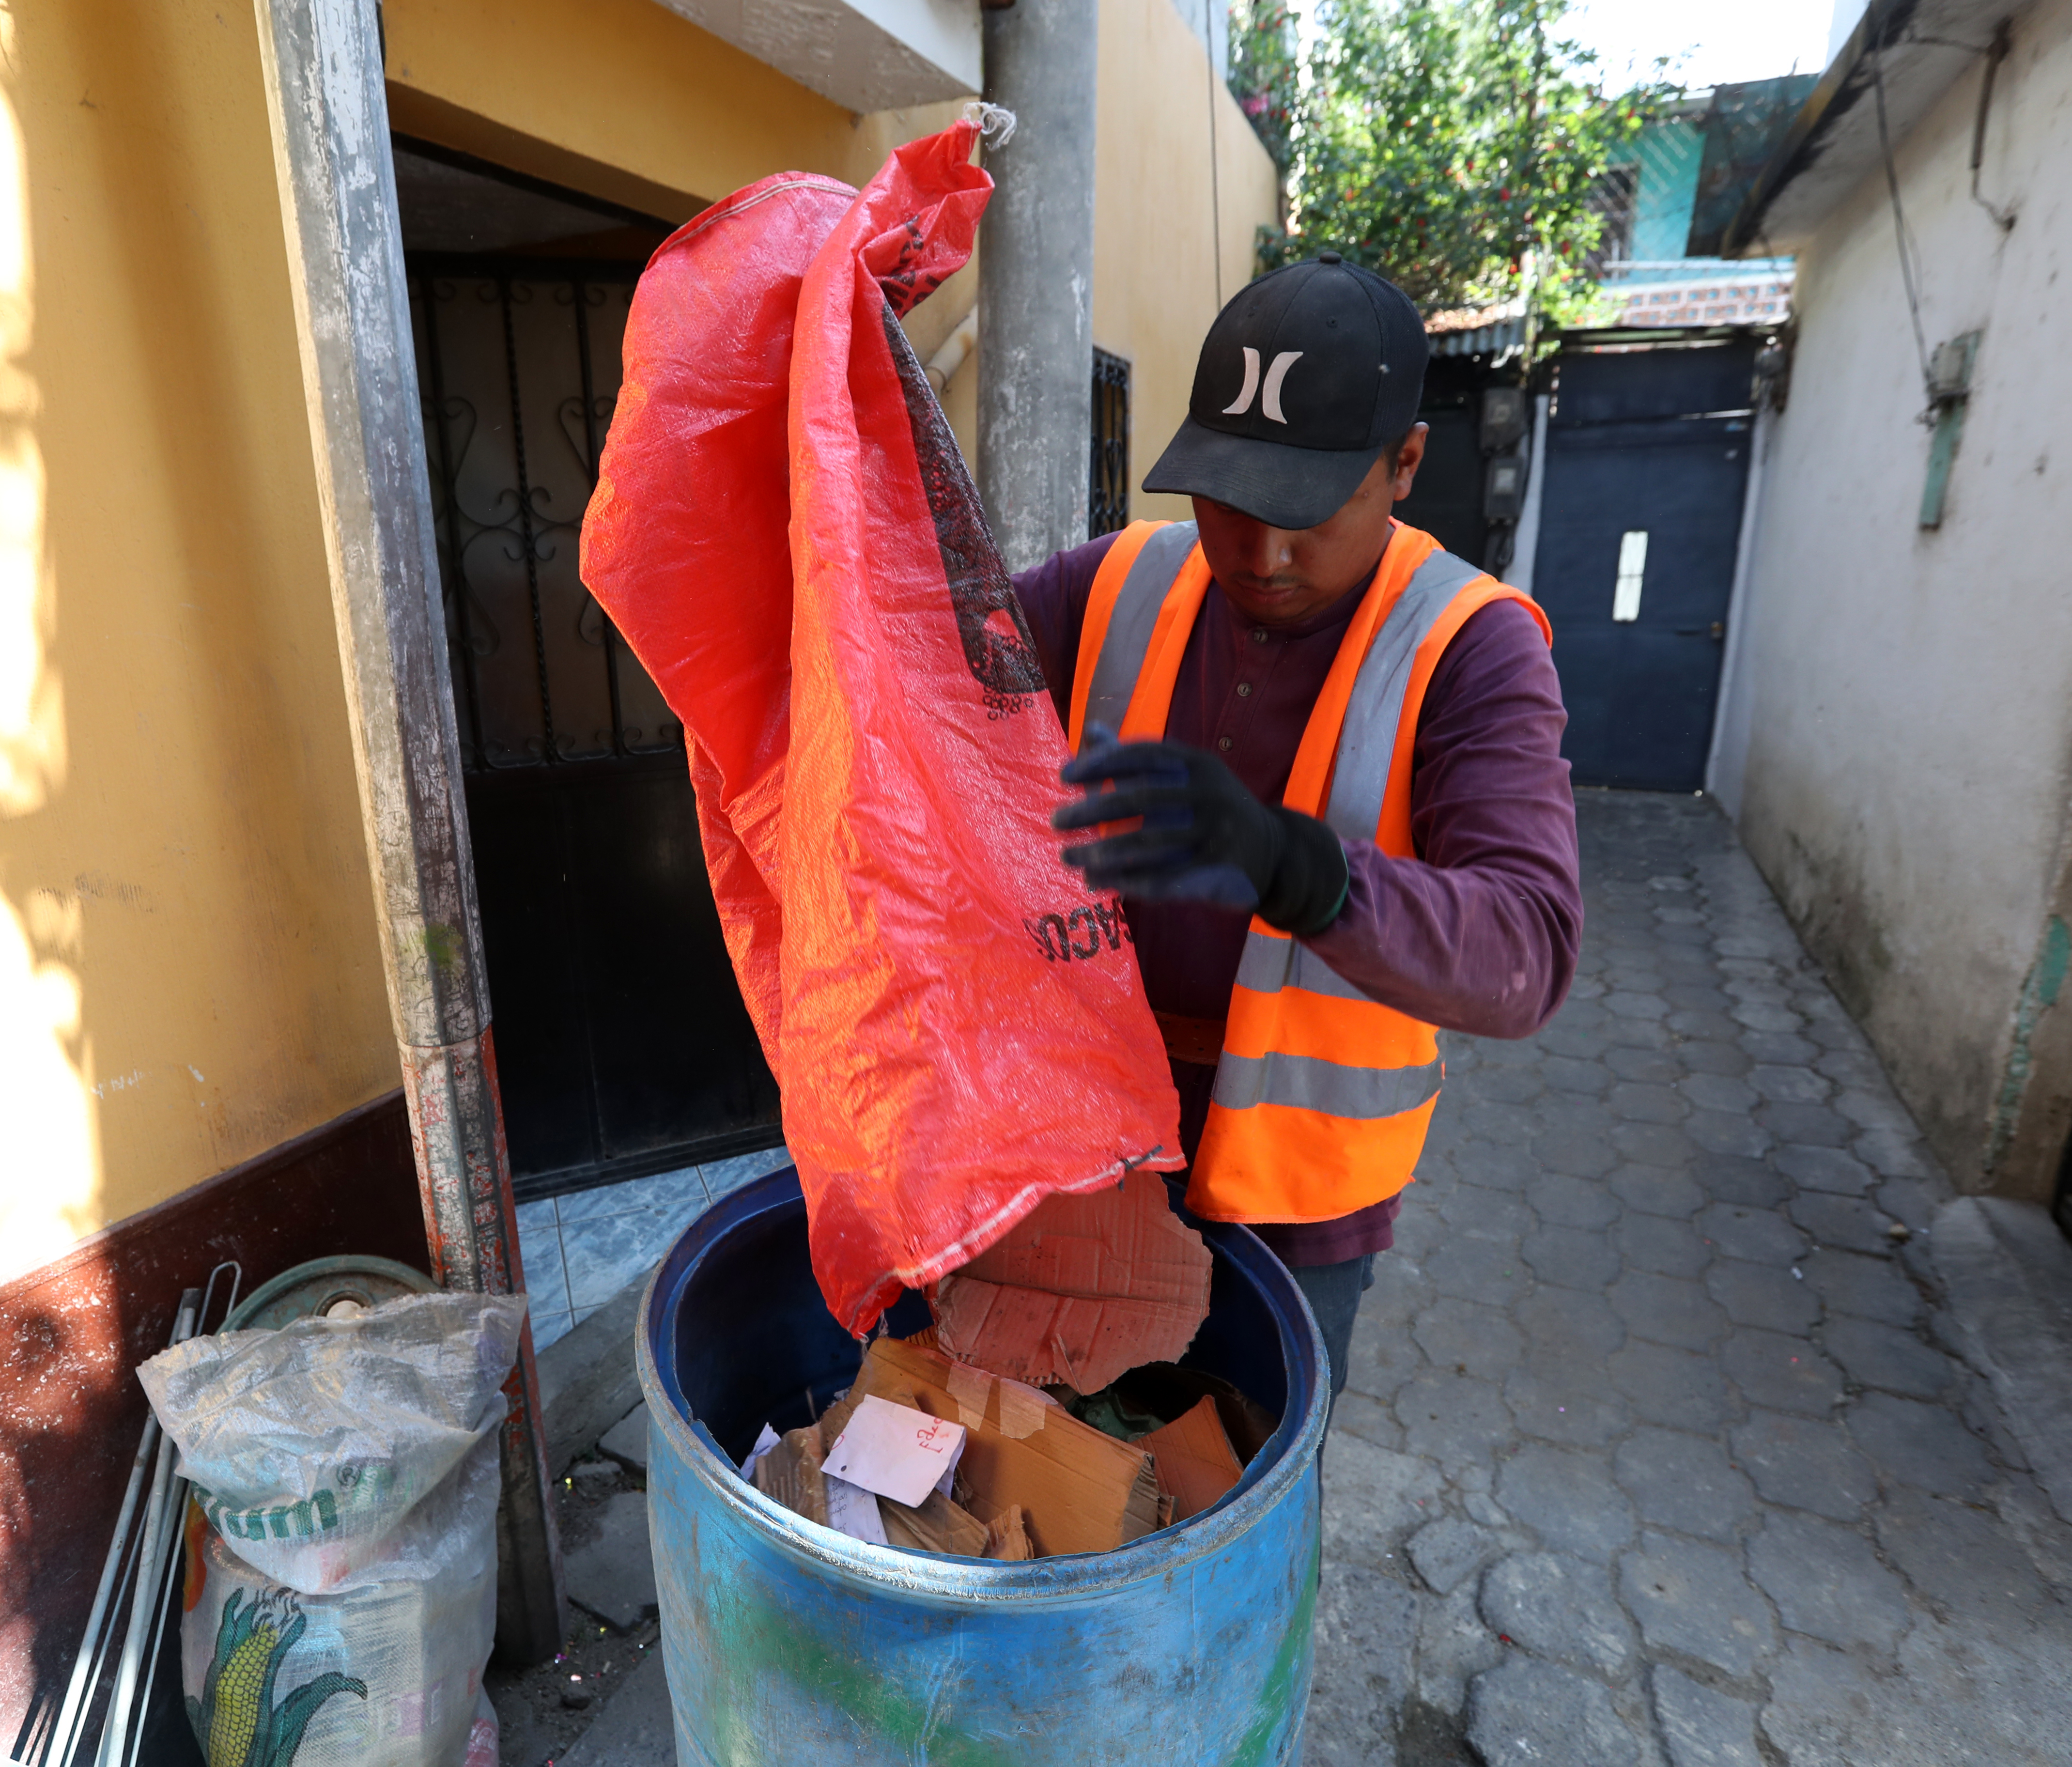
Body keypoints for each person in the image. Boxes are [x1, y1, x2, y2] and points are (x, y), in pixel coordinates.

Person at [1012, 253, 1583, 1424]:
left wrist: (1296, 867)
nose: (1261, 556)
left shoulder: (1474, 649)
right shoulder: (1112, 584)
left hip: (1297, 1210)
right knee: (1047, 1477)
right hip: (1093, 1150)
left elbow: (1527, 955)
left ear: (1407, 466)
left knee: (1237, 1507)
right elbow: (923, 652)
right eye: (1228, 499)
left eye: (1306, 511)